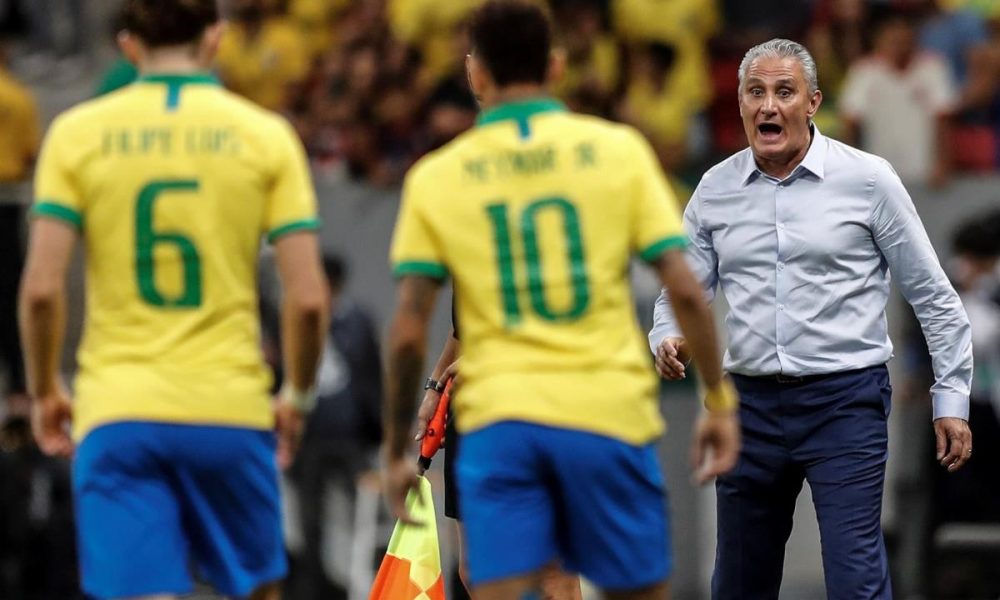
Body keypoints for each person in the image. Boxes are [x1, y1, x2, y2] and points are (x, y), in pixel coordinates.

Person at [383, 2, 741, 600]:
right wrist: (718, 400)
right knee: (629, 589)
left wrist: (398, 445)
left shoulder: (438, 177)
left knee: (496, 585)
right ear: (555, 67)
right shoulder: (619, 152)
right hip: (605, 411)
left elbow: (406, 329)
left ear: (475, 73)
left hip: (501, 421)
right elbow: (685, 289)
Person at [17, 1, 328, 599]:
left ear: (128, 45)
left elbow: (40, 289)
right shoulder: (266, 135)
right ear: (215, 39)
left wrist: (45, 389)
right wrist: (297, 395)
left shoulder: (77, 135)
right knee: (258, 590)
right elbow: (309, 299)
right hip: (229, 406)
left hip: (118, 407)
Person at [649, 38, 973, 600]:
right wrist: (668, 334)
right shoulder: (715, 188)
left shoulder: (868, 180)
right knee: (738, 585)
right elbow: (681, 290)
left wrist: (951, 400)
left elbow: (933, 296)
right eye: (755, 92)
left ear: (814, 102)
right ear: (741, 104)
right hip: (747, 407)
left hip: (845, 403)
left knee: (855, 580)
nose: (768, 106)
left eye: (784, 91)